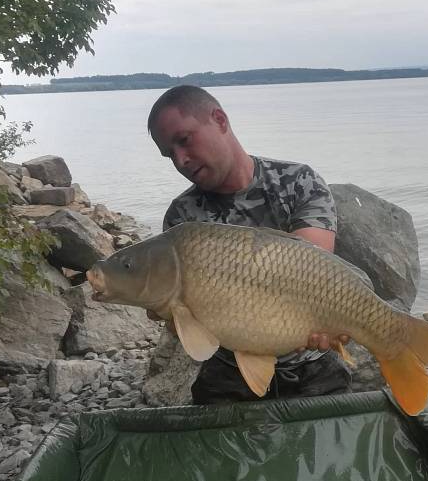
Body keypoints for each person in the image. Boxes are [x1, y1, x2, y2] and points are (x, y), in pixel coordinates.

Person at [147, 85, 354, 405]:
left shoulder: (299, 181)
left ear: (220, 120)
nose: (181, 159)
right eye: (169, 154)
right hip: (228, 371)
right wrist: (170, 313)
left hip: (312, 367)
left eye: (184, 140)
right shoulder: (183, 219)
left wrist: (324, 323)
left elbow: (312, 272)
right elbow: (192, 332)